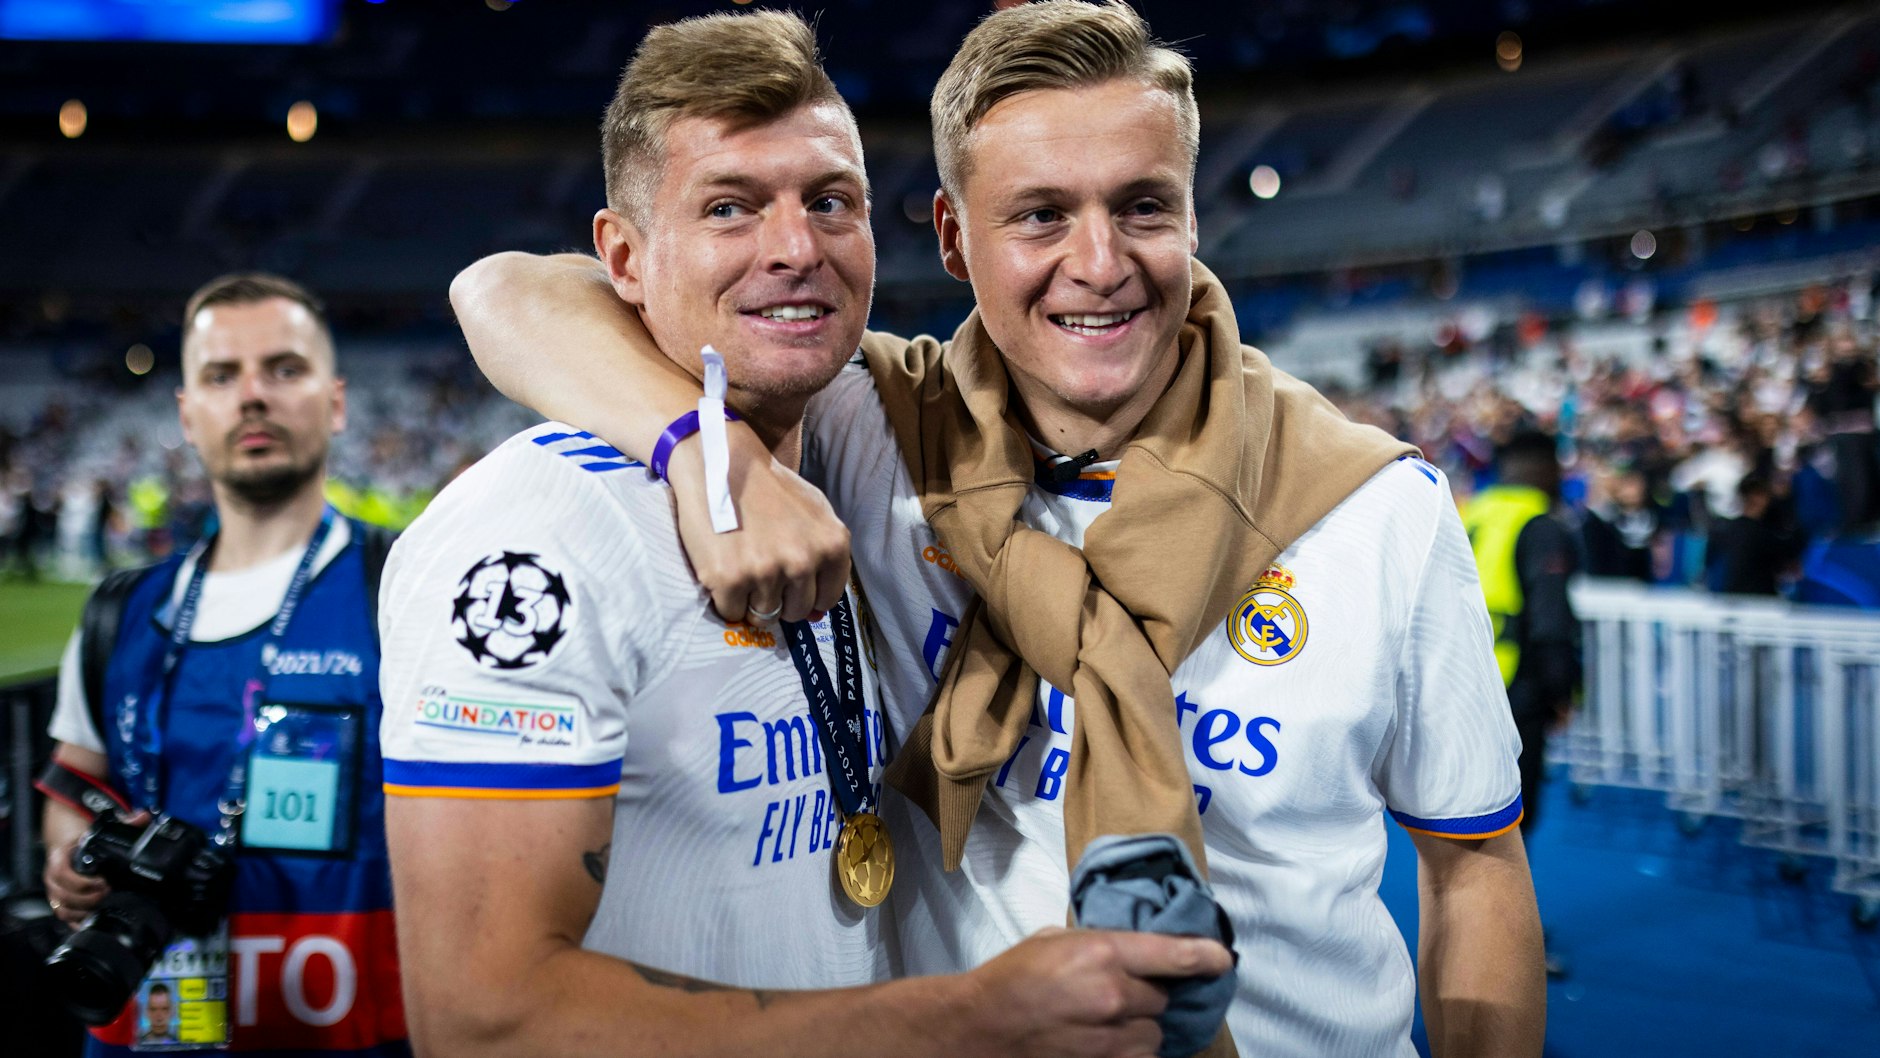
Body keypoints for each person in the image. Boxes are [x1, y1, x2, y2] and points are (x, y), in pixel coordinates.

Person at [450, 3, 1546, 1055]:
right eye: (1039, 214)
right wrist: (702, 447)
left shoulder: (1370, 507)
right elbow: (508, 292)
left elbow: (1473, 862)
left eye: (1143, 206)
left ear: (1191, 217)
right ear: (952, 236)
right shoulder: (876, 426)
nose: (1100, 261)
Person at [377, 12, 1228, 1058]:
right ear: (624, 257)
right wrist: (967, 1020)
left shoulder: (850, 431)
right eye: (729, 207)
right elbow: (481, 1019)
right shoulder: (533, 539)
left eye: (830, 201)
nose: (795, 248)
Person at [36, 273, 407, 1057]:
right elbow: (74, 779)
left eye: (283, 369)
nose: (252, 397)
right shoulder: (122, 611)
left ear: (336, 402)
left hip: (342, 1026)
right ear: (188, 416)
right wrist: (69, 855)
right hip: (147, 1025)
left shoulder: (403, 588)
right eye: (220, 375)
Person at [1460, 430, 1579, 885]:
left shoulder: (1474, 512)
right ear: (1546, 471)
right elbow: (1551, 620)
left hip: (1466, 679)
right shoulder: (1541, 525)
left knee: (1466, 816)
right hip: (1519, 687)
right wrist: (1561, 690)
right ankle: (1508, 942)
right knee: (1511, 821)